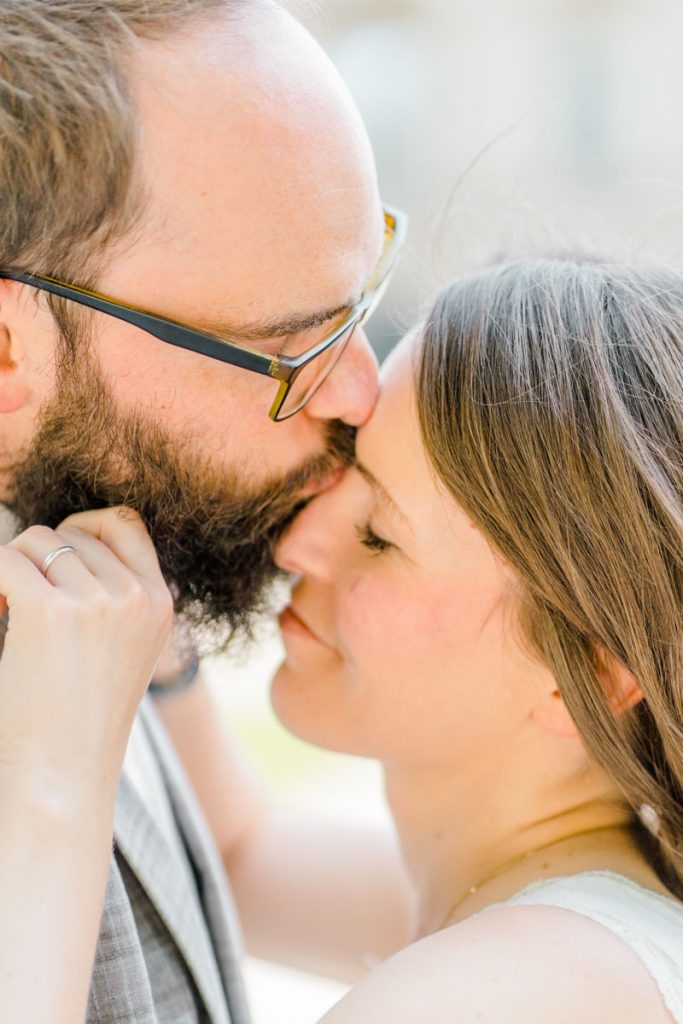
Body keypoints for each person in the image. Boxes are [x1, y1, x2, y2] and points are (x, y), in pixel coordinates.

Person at [0, 1, 411, 1021]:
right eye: (291, 352)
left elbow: (237, 851)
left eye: (359, 306)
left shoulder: (93, 523)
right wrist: (48, 792)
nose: (359, 394)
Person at [165, 255, 683, 1022]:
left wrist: (49, 781)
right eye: (339, 476)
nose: (294, 545)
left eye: (377, 536)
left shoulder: (500, 992)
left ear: (596, 673)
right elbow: (236, 857)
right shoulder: (550, 920)